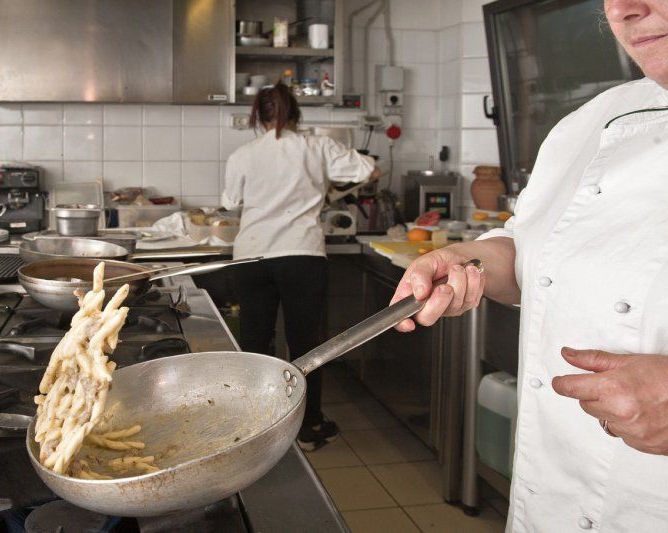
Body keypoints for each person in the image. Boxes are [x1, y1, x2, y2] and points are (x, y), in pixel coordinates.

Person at [390, 1, 668, 530]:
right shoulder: (590, 122)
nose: (627, 9)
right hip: (550, 501)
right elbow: (531, 250)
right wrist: (464, 259)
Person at [222, 82, 376, 451]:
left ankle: (253, 427)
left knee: (255, 343)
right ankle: (309, 428)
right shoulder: (317, 145)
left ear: (257, 116)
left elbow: (230, 203)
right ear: (296, 114)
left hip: (252, 257)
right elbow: (368, 170)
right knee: (306, 345)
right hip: (301, 255)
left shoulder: (243, 154)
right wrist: (325, 188)